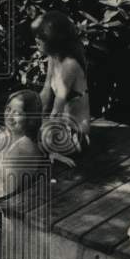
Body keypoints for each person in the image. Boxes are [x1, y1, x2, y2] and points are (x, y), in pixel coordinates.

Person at [32, 10, 91, 158]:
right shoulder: (54, 56)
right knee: (21, 123)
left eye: (41, 37)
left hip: (76, 135)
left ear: (55, 39)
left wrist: (38, 130)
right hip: (60, 125)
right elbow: (46, 93)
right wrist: (31, 115)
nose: (36, 39)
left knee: (34, 138)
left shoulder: (70, 65)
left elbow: (56, 111)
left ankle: (52, 154)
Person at [0, 90, 51, 192]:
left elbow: (7, 192)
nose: (9, 116)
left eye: (17, 113)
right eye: (8, 109)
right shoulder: (8, 137)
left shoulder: (22, 150)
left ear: (30, 118)